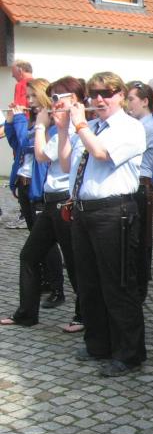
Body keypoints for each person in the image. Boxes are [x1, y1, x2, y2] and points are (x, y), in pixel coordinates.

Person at [57, 72, 146, 377]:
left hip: (113, 211)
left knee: (118, 284)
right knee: (89, 284)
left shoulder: (130, 127)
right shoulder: (92, 127)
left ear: (120, 95)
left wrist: (80, 124)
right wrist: (63, 128)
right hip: (84, 211)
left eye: (106, 93)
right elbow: (66, 164)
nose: (99, 99)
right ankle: (98, 344)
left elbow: (102, 153)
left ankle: (129, 354)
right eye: (94, 93)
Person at [1, 78, 75, 328]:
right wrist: (12, 121)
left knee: (73, 260)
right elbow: (18, 145)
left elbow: (36, 151)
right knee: (29, 255)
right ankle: (26, 314)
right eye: (28, 96)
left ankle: (78, 309)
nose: (29, 101)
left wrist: (29, 123)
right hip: (42, 193)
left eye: (34, 96)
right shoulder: (41, 123)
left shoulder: (55, 126)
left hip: (58, 197)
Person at [126, 81, 153, 301]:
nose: (128, 104)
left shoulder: (145, 127)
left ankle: (138, 290)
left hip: (140, 185)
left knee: (139, 242)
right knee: (134, 242)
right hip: (136, 185)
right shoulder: (138, 124)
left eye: (131, 99)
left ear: (145, 101)